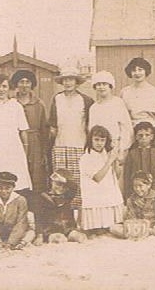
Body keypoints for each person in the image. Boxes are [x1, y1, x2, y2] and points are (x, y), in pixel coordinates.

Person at [49, 66, 94, 210]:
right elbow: (53, 126)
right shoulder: (57, 99)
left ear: (76, 82)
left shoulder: (86, 100)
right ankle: (61, 213)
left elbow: (89, 126)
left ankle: (78, 213)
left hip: (79, 146)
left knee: (77, 181)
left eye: (71, 80)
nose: (68, 83)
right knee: (60, 181)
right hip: (60, 146)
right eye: (65, 80)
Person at [88, 70, 134, 192]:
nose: (101, 87)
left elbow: (126, 128)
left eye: (104, 84)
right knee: (101, 181)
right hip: (98, 148)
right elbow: (91, 131)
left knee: (116, 182)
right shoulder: (94, 108)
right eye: (98, 84)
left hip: (115, 147)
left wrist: (122, 150)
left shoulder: (118, 103)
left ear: (110, 86)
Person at [79, 125, 125, 234]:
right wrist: (109, 161)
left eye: (102, 140)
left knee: (114, 227)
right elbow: (97, 178)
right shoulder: (86, 157)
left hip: (108, 193)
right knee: (97, 231)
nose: (99, 143)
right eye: (96, 140)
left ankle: (108, 225)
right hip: (95, 195)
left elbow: (117, 176)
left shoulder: (106, 155)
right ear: (90, 140)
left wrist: (116, 162)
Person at [11, 70, 50, 194]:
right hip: (15, 142)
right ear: (16, 84)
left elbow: (44, 129)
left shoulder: (39, 104)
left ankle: (36, 206)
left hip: (35, 143)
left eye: (27, 82)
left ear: (31, 84)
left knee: (36, 174)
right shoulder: (11, 103)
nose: (24, 85)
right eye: (21, 82)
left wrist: (44, 151)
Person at [110, 171, 155, 238]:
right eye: (135, 186)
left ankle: (149, 232)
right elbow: (131, 217)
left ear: (148, 185)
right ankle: (148, 232)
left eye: (141, 186)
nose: (138, 189)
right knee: (114, 228)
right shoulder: (131, 199)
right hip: (138, 226)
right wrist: (137, 224)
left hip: (154, 225)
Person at [32, 169, 87, 245]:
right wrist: (39, 236)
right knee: (60, 239)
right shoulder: (43, 197)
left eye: (63, 185)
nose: (60, 188)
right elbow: (38, 217)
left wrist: (64, 180)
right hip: (50, 229)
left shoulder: (66, 196)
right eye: (57, 184)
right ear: (51, 182)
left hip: (67, 227)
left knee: (79, 237)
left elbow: (74, 187)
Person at [120, 57, 155, 147]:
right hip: (132, 131)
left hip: (151, 130)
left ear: (146, 71)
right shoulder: (125, 92)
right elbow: (122, 115)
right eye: (134, 70)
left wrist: (150, 129)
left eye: (140, 70)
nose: (137, 73)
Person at [0, 172, 31, 251]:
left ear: (13, 188)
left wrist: (11, 242)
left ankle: (19, 244)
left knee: (30, 233)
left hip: (16, 233)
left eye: (7, 188)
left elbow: (21, 223)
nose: (3, 191)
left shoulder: (20, 200)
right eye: (0, 188)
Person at [124, 122, 155, 198]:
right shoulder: (132, 154)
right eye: (140, 135)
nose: (144, 138)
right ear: (136, 137)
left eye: (147, 135)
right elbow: (127, 175)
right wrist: (127, 194)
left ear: (152, 137)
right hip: (137, 191)